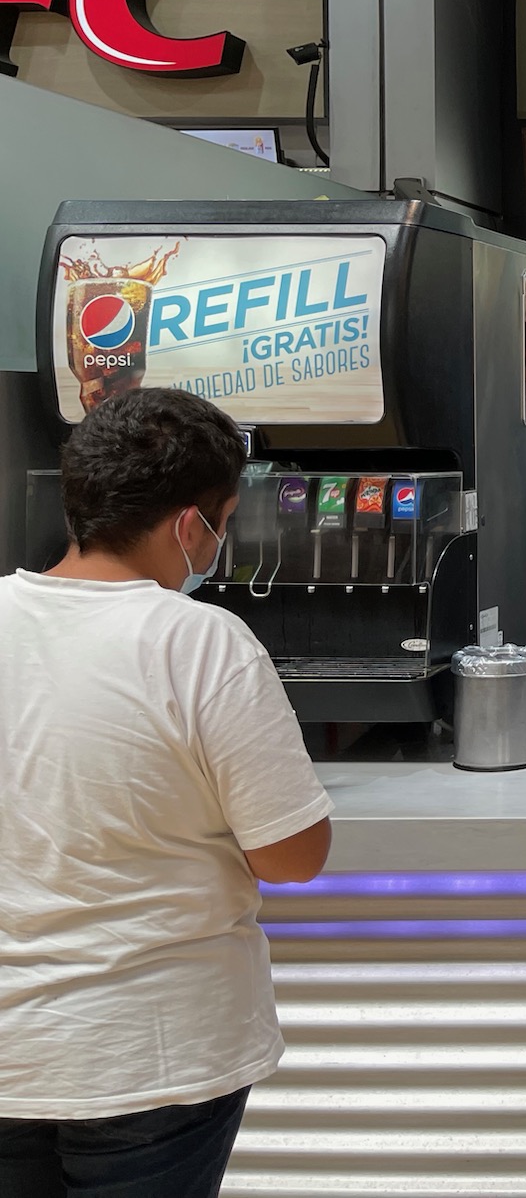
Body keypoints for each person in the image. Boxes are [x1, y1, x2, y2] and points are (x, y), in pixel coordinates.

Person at [0, 388, 332, 1198]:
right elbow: (291, 857)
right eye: (222, 521)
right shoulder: (200, 641)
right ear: (193, 526)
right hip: (154, 1054)